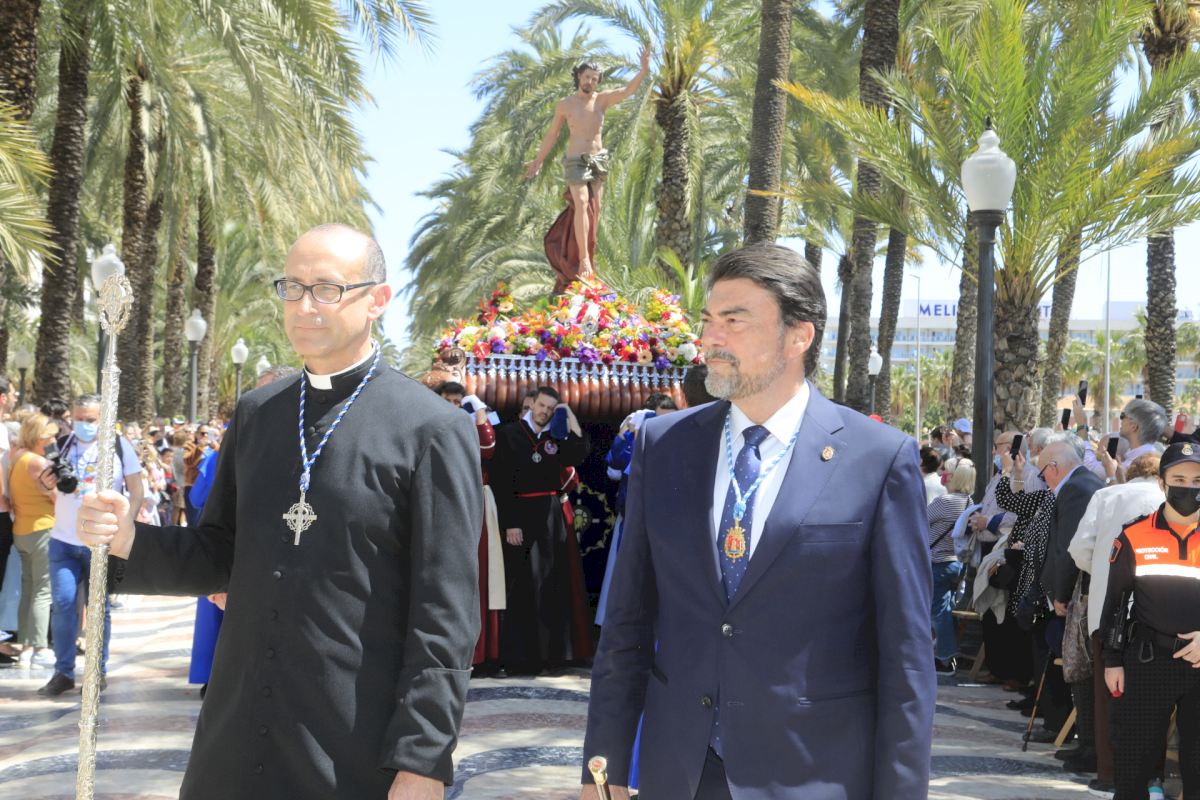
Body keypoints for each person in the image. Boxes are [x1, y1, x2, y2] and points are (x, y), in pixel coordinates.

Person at [77, 223, 483, 799]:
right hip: (237, 732)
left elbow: (445, 613)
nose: (304, 306)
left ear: (378, 300)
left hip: (353, 742)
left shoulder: (432, 428)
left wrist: (422, 760)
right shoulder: (258, 412)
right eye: (292, 288)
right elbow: (218, 554)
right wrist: (128, 539)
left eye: (327, 289)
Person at [581, 243, 935, 799]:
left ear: (799, 337)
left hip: (814, 777)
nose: (711, 338)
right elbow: (627, 627)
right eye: (708, 320)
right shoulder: (663, 445)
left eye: (735, 321)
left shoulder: (878, 458)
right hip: (680, 774)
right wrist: (601, 774)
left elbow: (906, 656)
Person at [1101, 443, 1200, 800]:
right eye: (1179, 479)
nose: (1189, 487)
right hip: (1149, 660)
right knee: (1134, 763)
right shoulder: (1134, 535)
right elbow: (1115, 601)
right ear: (1162, 483)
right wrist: (1112, 660)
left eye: (1197, 480)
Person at [1068, 453, 1163, 797]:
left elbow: (1079, 548)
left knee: (1108, 694)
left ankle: (1109, 773)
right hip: (1158, 612)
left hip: (1108, 610)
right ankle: (1152, 776)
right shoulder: (1168, 499)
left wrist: (1105, 572)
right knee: (1155, 699)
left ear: (1130, 472)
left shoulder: (1107, 495)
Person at [39, 394, 143, 696]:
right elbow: (46, 486)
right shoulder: (61, 445)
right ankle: (63, 672)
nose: (83, 424)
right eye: (78, 418)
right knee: (62, 604)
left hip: (100, 543)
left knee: (99, 608)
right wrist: (45, 484)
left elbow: (137, 489)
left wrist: (126, 525)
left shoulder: (119, 445)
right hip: (62, 540)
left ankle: (97, 672)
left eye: (90, 419)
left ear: (103, 418)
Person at [524, 49, 651, 287]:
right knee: (581, 202)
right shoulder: (565, 105)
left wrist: (643, 69)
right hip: (576, 160)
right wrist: (538, 160)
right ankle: (583, 260)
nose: (590, 81)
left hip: (598, 159)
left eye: (594, 78)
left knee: (596, 210)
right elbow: (552, 134)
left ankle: (589, 255)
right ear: (578, 77)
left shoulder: (601, 100)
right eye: (587, 77)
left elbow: (627, 91)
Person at [492, 385, 592, 674]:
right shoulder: (509, 434)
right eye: (541, 406)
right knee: (522, 586)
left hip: (550, 519)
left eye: (550, 408)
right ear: (532, 404)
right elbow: (501, 481)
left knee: (551, 586)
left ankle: (550, 657)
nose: (544, 412)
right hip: (520, 517)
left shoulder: (556, 437)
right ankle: (519, 659)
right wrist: (510, 523)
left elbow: (579, 453)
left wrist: (569, 415)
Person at [433, 380, 505, 675]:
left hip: (474, 502)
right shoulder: (431, 425)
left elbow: (487, 448)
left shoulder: (470, 427)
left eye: (457, 403)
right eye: (447, 401)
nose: (453, 408)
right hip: (438, 502)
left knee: (479, 576)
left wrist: (478, 412)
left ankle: (480, 652)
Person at [7, 413, 59, 667]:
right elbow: (56, 496)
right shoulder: (38, 462)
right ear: (40, 437)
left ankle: (27, 647)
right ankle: (39, 646)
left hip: (22, 530)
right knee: (42, 591)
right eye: (51, 436)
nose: (54, 440)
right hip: (42, 530)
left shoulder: (18, 457)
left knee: (29, 589)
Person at [928, 458, 974, 673]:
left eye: (945, 472)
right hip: (957, 563)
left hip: (939, 562)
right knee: (946, 608)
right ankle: (946, 654)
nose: (941, 475)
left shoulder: (944, 502)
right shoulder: (969, 502)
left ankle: (946, 657)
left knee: (938, 611)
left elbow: (918, 520)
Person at [1115, 398, 1168, 482]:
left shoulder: (1144, 466)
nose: (1121, 420)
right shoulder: (1154, 459)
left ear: (1134, 426)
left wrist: (1111, 476)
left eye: (1123, 416)